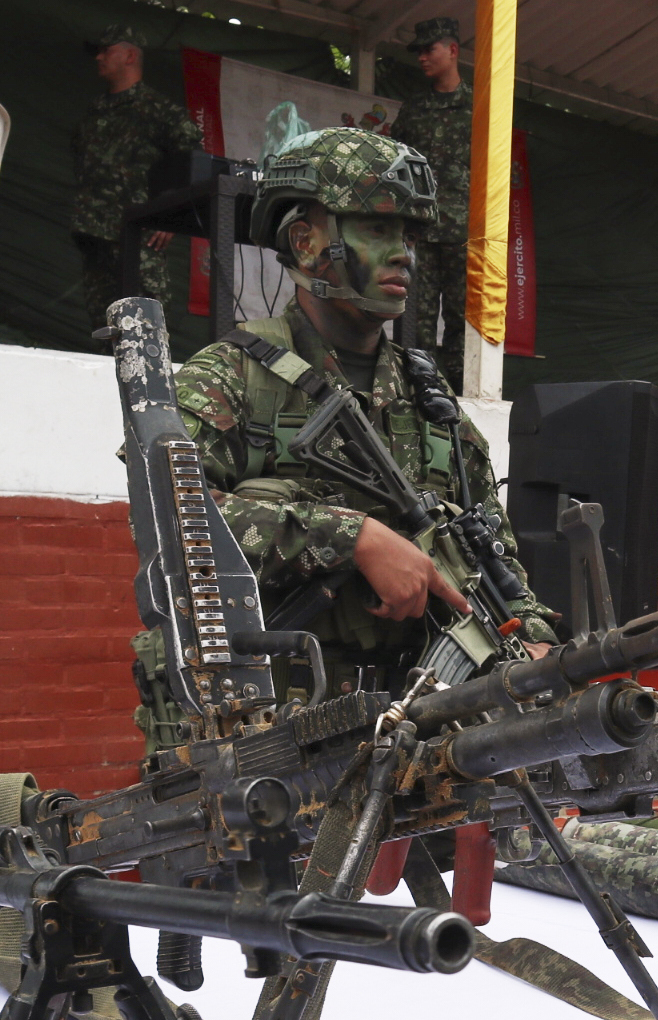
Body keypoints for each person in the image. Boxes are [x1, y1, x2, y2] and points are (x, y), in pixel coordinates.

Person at [162, 127, 556, 744]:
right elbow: (174, 519)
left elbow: (487, 540)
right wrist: (356, 540)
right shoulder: (230, 373)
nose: (404, 254)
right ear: (307, 240)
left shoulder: (431, 398)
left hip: (413, 715)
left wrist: (529, 636)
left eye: (407, 236)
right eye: (377, 230)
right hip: (275, 722)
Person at [72, 24, 200, 346]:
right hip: (95, 232)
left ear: (129, 55)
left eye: (107, 50)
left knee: (145, 328)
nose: (99, 57)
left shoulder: (159, 111)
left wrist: (171, 211)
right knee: (104, 330)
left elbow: (193, 160)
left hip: (138, 237)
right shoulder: (94, 111)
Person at [391, 16, 472, 392]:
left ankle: (458, 397)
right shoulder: (413, 110)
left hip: (463, 233)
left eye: (430, 49)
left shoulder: (479, 107)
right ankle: (417, 390)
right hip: (420, 232)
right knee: (415, 320)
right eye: (418, 51)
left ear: (452, 50)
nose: (422, 57)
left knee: (463, 320)